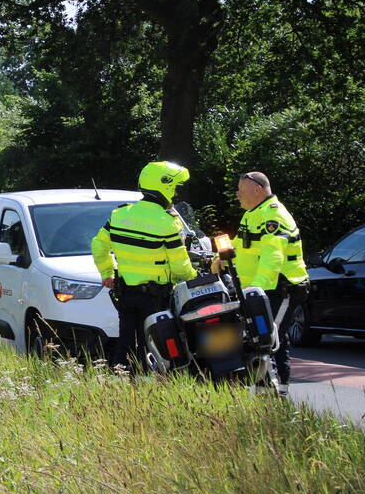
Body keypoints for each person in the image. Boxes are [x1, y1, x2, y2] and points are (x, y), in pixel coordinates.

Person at [91, 161, 197, 372]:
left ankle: (121, 382)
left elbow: (98, 245)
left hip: (126, 293)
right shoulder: (168, 223)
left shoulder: (120, 214)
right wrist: (193, 277)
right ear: (165, 186)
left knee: (126, 342)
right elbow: (180, 266)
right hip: (155, 297)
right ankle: (152, 386)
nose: (177, 194)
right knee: (156, 344)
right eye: (176, 188)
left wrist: (107, 272)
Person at [212, 171, 308, 395]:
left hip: (283, 288)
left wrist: (257, 287)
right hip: (263, 290)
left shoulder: (273, 216)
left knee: (264, 341)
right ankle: (279, 393)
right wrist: (221, 258)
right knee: (276, 339)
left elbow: (273, 256)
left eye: (240, 189)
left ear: (257, 190)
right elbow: (242, 244)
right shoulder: (252, 214)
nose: (237, 194)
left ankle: (267, 395)